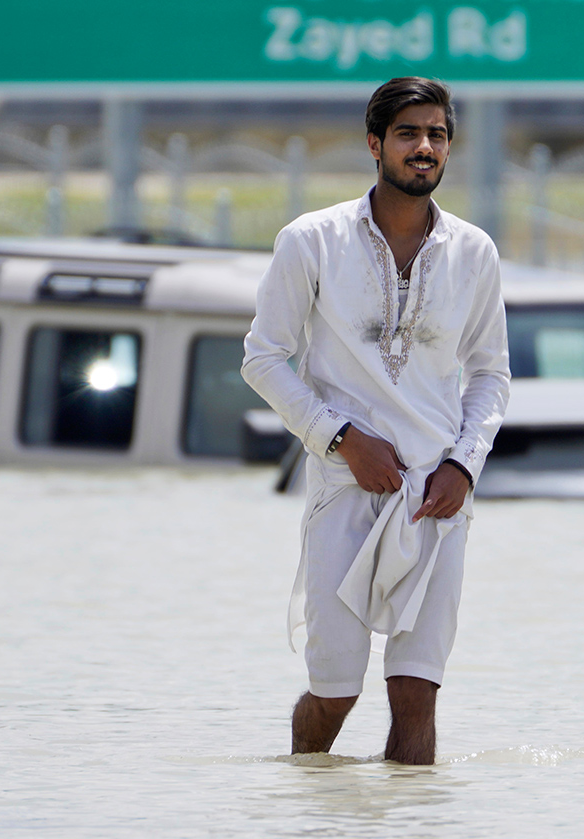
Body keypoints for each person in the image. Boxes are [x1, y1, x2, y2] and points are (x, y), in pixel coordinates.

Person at [241, 77, 510, 764]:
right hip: (346, 487)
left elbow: (490, 374)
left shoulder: (474, 252)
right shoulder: (312, 240)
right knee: (335, 690)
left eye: (438, 135)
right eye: (408, 133)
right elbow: (263, 359)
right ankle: (314, 811)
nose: (424, 147)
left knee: (417, 690)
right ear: (374, 144)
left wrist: (463, 466)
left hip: (435, 497)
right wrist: (340, 436)